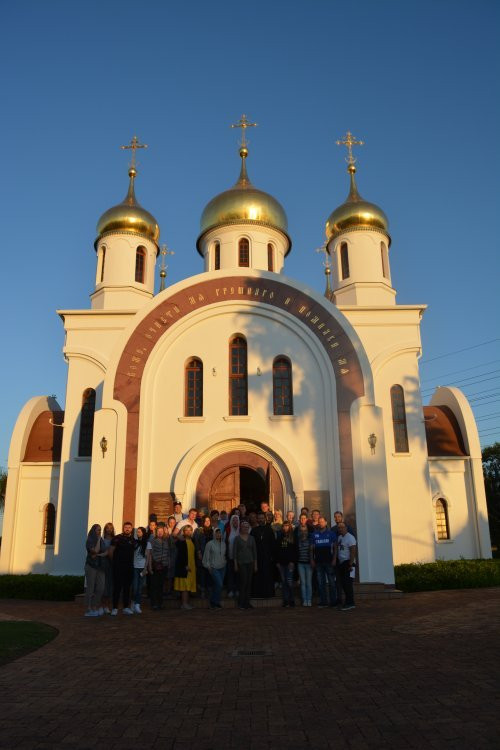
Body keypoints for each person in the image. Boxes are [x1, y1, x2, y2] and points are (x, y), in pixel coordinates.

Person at [310, 516, 337, 608]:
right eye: (319, 522)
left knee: (331, 583)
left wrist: (334, 559)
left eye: (322, 521)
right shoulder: (314, 534)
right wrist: (312, 560)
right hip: (318, 562)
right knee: (321, 583)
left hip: (329, 561)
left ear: (326, 523)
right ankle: (323, 601)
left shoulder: (331, 534)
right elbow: (311, 549)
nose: (321, 523)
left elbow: (335, 548)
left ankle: (333, 601)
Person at [110, 521, 136, 615]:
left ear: (131, 529)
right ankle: (114, 608)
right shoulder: (117, 538)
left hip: (129, 568)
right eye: (126, 527)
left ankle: (125, 607)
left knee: (127, 588)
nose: (127, 529)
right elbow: (111, 551)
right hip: (118, 567)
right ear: (123, 528)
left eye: (129, 527)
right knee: (117, 588)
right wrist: (114, 563)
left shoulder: (133, 540)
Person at [233, 521, 257, 610]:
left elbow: (255, 552)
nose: (245, 528)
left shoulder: (252, 538)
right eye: (244, 527)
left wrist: (255, 565)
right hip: (241, 563)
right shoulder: (237, 538)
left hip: (250, 563)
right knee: (243, 582)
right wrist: (235, 564)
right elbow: (234, 553)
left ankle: (247, 602)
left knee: (249, 583)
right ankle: (241, 603)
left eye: (247, 527)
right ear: (241, 528)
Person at [251, 512, 275, 598]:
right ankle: (257, 594)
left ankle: (268, 594)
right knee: (257, 575)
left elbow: (273, 544)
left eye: (262, 518)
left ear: (265, 519)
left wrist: (272, 556)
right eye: (259, 518)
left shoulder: (269, 529)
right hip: (257, 557)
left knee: (267, 575)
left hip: (267, 556)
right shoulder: (254, 530)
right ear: (257, 519)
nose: (261, 520)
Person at [84, 524, 106, 617]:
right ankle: (89, 609)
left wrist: (102, 554)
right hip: (91, 566)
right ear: (93, 531)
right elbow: (95, 551)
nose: (99, 532)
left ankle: (94, 606)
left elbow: (105, 551)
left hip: (100, 566)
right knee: (91, 588)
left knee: (101, 588)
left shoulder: (101, 540)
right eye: (98, 530)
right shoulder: (90, 540)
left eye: (100, 530)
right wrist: (98, 541)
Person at [274, 520, 298, 607]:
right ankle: (286, 600)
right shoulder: (280, 537)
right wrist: (277, 562)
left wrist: (293, 562)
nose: (285, 527)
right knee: (284, 582)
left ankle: (291, 600)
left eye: (287, 526)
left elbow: (295, 551)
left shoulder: (294, 537)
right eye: (284, 526)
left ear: (290, 527)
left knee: (289, 582)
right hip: (281, 564)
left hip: (290, 564)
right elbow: (276, 551)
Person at [202, 527, 227, 609]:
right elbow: (206, 556)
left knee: (218, 585)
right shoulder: (209, 544)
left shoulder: (223, 544)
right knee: (219, 584)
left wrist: (225, 562)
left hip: (222, 567)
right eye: (216, 533)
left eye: (220, 533)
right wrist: (208, 567)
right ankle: (213, 601)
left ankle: (215, 602)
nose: (218, 534)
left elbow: (224, 555)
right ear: (214, 534)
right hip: (214, 568)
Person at [174, 525, 197, 610]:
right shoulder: (181, 541)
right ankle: (184, 604)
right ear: (183, 532)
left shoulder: (192, 540)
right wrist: (185, 565)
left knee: (189, 586)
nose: (188, 532)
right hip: (185, 567)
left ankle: (186, 603)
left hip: (192, 566)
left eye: (190, 530)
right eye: (186, 530)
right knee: (185, 587)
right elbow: (181, 555)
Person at [336, 522, 357, 610]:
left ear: (346, 528)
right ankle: (347, 602)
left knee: (348, 584)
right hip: (341, 563)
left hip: (348, 563)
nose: (340, 529)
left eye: (342, 527)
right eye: (339, 528)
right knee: (344, 584)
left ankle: (350, 603)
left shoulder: (350, 537)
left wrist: (351, 564)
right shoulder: (340, 537)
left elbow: (352, 551)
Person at [150, 523, 171, 610]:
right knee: (155, 585)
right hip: (156, 565)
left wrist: (168, 562)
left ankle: (160, 603)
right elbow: (151, 552)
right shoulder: (153, 541)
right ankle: (154, 603)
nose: (160, 533)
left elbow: (168, 553)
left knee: (161, 585)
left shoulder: (166, 541)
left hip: (164, 565)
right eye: (158, 531)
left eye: (161, 531)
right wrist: (155, 561)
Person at [132, 526, 151, 613]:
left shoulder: (147, 544)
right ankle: (133, 602)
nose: (138, 533)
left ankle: (137, 604)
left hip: (142, 567)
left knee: (140, 588)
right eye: (137, 532)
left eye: (139, 532)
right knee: (135, 587)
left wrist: (145, 568)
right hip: (135, 567)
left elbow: (147, 557)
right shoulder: (134, 542)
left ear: (143, 533)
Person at [296, 514, 313, 606]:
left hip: (309, 563)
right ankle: (304, 600)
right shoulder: (297, 541)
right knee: (303, 582)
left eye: (305, 531)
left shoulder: (310, 540)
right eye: (302, 531)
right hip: (300, 564)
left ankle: (309, 600)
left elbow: (312, 552)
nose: (303, 532)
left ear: (307, 531)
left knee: (308, 583)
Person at [194, 516, 212, 597]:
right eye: (205, 521)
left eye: (208, 520)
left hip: (211, 556)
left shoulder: (213, 530)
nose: (207, 522)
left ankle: (209, 589)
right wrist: (198, 552)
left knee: (209, 573)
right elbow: (196, 542)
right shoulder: (199, 530)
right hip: (202, 554)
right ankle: (202, 591)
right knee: (202, 573)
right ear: (203, 522)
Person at [101, 522, 115, 614]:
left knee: (110, 585)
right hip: (103, 564)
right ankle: (102, 606)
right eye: (107, 528)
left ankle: (107, 606)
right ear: (105, 529)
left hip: (112, 564)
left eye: (111, 528)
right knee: (103, 585)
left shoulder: (114, 539)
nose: (109, 530)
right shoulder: (102, 540)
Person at [226, 514, 240, 598]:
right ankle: (230, 590)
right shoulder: (227, 530)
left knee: (238, 574)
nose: (235, 522)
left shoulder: (241, 530)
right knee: (230, 574)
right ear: (231, 521)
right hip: (230, 556)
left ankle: (238, 589)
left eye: (236, 520)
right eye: (233, 520)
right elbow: (224, 542)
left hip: (239, 557)